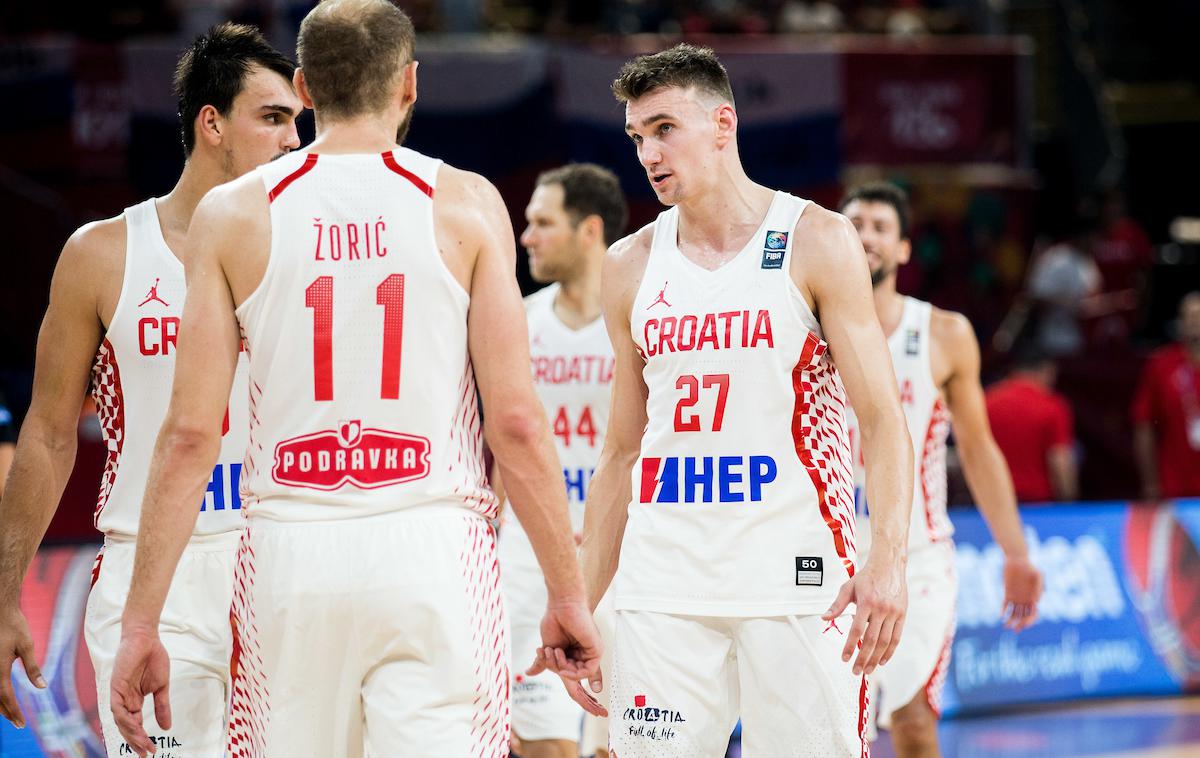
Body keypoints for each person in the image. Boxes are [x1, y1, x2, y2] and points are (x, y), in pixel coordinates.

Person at [107, 2, 601, 756]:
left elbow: (190, 436)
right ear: (409, 84)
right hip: (432, 540)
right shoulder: (464, 202)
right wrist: (568, 594)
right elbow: (518, 425)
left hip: (289, 549)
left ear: (304, 89)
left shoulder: (231, 213)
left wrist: (141, 622)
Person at [575, 44, 913, 757]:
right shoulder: (629, 265)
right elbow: (621, 451)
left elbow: (883, 422)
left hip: (795, 578)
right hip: (662, 581)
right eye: (637, 137)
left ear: (723, 124)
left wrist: (887, 561)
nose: (648, 153)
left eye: (665, 128)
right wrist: (580, 603)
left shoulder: (815, 239)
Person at [0, 23, 302, 754]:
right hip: (155, 574)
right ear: (212, 124)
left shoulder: (311, 253)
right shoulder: (104, 254)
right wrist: (6, 593)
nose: (295, 141)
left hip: (288, 557)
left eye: (299, 121)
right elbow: (44, 433)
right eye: (274, 117)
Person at [840, 182, 1043, 758]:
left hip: (916, 557)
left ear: (905, 249)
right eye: (854, 223)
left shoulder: (943, 333)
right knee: (824, 733)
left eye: (881, 226)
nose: (866, 235)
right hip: (825, 558)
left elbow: (978, 450)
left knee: (911, 721)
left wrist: (1017, 553)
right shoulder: (806, 328)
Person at [499, 163, 626, 758]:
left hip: (623, 558)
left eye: (543, 222)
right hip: (531, 562)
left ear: (589, 230)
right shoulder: (517, 325)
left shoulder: (643, 320)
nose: (526, 236)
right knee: (543, 748)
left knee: (621, 746)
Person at [985, 347, 1078, 502]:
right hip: (1038, 505)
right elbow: (1059, 459)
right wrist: (1070, 501)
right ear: (1047, 370)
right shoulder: (1051, 406)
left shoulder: (986, 401)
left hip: (992, 501)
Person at [1133, 291, 1200, 499]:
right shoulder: (1162, 365)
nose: (1194, 321)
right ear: (1179, 322)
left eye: (1199, 315)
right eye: (1188, 316)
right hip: (1175, 485)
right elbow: (1143, 425)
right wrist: (1150, 483)